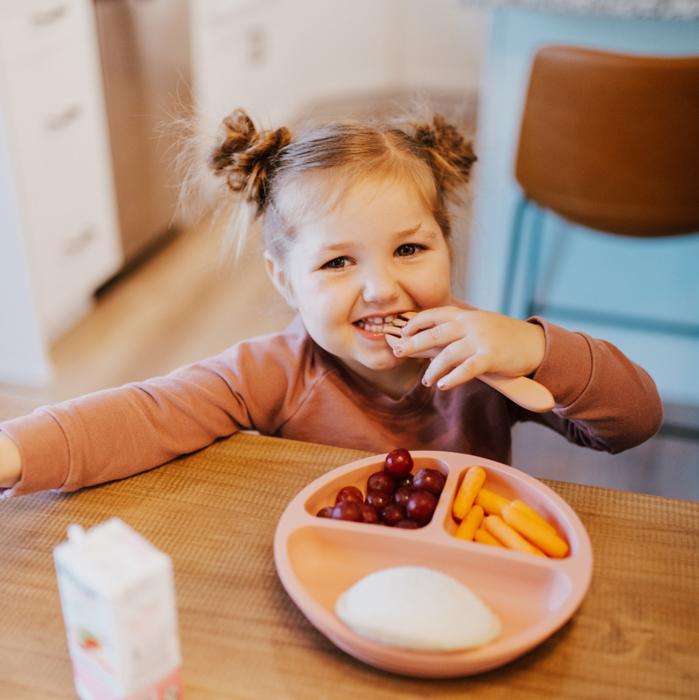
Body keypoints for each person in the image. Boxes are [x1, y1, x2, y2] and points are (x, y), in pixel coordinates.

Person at [0, 109, 662, 498]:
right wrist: (14, 451)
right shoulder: (272, 372)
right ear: (284, 280)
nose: (379, 288)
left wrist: (535, 346)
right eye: (337, 262)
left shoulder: (483, 361)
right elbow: (142, 417)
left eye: (409, 250)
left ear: (447, 245)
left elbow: (631, 422)